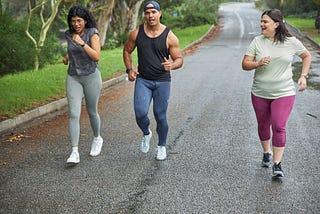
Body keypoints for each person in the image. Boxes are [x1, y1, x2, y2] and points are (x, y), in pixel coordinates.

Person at [242, 8, 311, 177]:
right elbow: (245, 64)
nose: (261, 24)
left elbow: (306, 56)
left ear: (276, 24)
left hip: (284, 92)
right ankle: (267, 152)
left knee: (279, 126)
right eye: (261, 21)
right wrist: (257, 64)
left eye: (265, 22)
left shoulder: (291, 42)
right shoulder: (257, 41)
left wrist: (303, 76)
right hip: (260, 92)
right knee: (263, 125)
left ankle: (277, 164)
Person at [123, 1, 183, 161]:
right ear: (144, 15)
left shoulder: (169, 36)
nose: (150, 15)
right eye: (147, 12)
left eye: (153, 12)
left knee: (160, 115)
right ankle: (146, 133)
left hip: (162, 81)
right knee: (140, 113)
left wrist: (172, 65)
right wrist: (129, 69)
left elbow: (179, 59)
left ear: (160, 13)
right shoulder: (137, 33)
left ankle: (161, 146)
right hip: (143, 79)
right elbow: (127, 51)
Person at [63, 5, 104, 163]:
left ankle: (97, 138)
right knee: (74, 113)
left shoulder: (92, 33)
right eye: (73, 21)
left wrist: (81, 43)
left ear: (85, 21)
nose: (76, 24)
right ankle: (74, 151)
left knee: (92, 111)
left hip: (91, 76)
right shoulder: (69, 34)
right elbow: (71, 47)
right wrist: (67, 56)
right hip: (73, 77)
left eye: (79, 21)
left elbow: (96, 56)